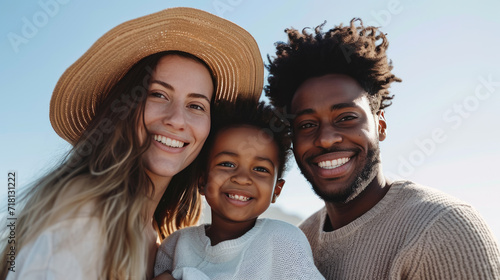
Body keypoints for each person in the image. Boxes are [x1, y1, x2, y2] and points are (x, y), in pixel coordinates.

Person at [1, 7, 264, 280]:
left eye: (196, 105)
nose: (177, 119)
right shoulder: (83, 218)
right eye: (158, 95)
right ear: (122, 108)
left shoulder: (153, 235)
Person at [265, 18, 500, 279]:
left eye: (346, 117)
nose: (326, 139)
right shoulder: (298, 244)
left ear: (381, 125)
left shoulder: (443, 229)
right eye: (307, 124)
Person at [153, 99, 325, 280]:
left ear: (276, 190)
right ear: (202, 180)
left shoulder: (282, 241)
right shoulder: (176, 245)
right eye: (227, 164)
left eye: (260, 169)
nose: (243, 178)